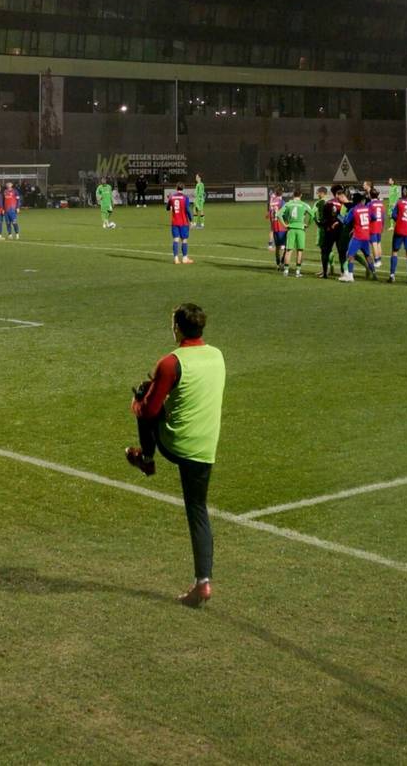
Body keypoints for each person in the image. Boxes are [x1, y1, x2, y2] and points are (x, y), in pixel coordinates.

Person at [126, 303, 226, 608]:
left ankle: (146, 458)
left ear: (178, 328)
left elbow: (150, 410)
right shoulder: (217, 355)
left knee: (145, 399)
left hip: (178, 444)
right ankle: (203, 584)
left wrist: (138, 400)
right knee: (198, 508)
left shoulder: (170, 362)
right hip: (206, 445)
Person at [338, 194, 377, 283]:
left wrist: (338, 216)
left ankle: (350, 276)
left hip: (357, 237)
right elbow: (374, 218)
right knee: (367, 255)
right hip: (366, 236)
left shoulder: (353, 210)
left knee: (350, 255)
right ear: (361, 201)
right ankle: (374, 273)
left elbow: (345, 221)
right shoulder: (368, 209)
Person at [279, 188, 312, 277]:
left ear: (293, 195)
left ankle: (286, 271)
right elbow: (312, 214)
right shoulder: (304, 204)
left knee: (288, 250)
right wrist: (308, 224)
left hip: (291, 229)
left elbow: (279, 214)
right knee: (300, 251)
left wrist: (285, 225)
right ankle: (298, 272)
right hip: (300, 229)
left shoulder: (288, 204)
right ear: (301, 195)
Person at [319, 187, 347, 278]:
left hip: (329, 231)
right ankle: (344, 273)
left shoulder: (328, 203)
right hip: (341, 232)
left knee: (325, 251)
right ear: (339, 195)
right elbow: (346, 219)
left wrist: (326, 226)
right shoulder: (345, 205)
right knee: (342, 253)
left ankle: (325, 273)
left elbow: (323, 218)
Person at [167, 183, 193, 263]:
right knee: (184, 240)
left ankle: (176, 259)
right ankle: (185, 258)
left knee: (176, 239)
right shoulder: (185, 198)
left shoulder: (172, 197)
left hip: (175, 222)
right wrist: (191, 220)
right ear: (183, 188)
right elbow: (188, 210)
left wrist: (171, 204)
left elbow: (168, 208)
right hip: (183, 222)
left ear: (176, 188)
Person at [268, 186, 286, 267]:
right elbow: (285, 213)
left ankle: (278, 263)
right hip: (282, 226)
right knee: (286, 247)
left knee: (277, 247)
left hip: (275, 225)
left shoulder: (272, 202)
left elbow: (271, 211)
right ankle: (282, 262)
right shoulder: (282, 202)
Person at [368, 187, 385, 270]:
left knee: (374, 243)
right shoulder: (381, 203)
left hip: (373, 226)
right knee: (378, 243)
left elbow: (369, 216)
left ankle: (377, 261)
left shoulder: (370, 204)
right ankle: (379, 260)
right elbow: (383, 215)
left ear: (370, 195)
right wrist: (383, 225)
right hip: (379, 224)